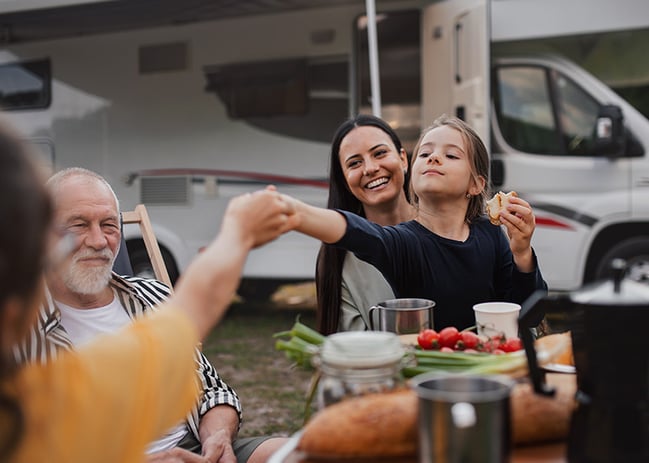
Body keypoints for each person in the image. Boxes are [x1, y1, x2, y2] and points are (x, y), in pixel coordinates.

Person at [0, 117, 296, 462]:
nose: (98, 241)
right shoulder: (26, 338)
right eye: (78, 226)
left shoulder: (150, 295)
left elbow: (211, 387)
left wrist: (217, 438)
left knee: (298, 453)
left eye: (109, 225)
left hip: (194, 449)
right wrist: (239, 231)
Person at [284, 114, 548, 332]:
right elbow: (359, 233)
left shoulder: (490, 233)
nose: (433, 158)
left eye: (452, 155)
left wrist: (522, 252)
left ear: (476, 184)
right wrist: (297, 212)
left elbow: (526, 313)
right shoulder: (405, 242)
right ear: (413, 174)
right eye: (424, 154)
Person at [315, 114, 415, 334]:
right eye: (354, 163)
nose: (370, 168)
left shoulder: (443, 227)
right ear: (344, 180)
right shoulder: (338, 257)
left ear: (403, 159)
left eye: (379, 153)